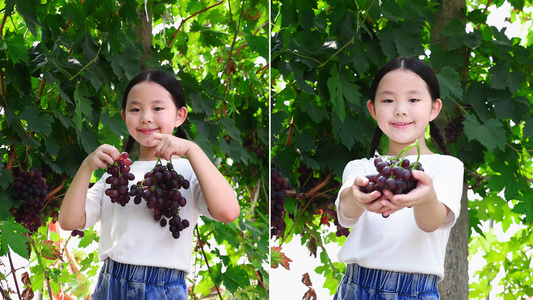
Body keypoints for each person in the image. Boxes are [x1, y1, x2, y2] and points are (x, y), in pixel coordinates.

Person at [58, 70, 240, 299]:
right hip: (110, 284)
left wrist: (192, 149)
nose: (145, 117)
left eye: (157, 108)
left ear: (180, 116)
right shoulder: (117, 176)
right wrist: (86, 167)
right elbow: (69, 221)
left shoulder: (189, 170)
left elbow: (229, 212)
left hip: (163, 288)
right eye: (135, 109)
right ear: (124, 117)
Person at [333, 57, 464, 299]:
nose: (400, 109)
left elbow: (431, 222)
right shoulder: (361, 167)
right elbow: (346, 214)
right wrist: (357, 196)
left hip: (415, 292)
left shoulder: (447, 167)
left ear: (434, 108)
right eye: (388, 100)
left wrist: (424, 198)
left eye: (413, 99)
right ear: (372, 109)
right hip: (354, 288)